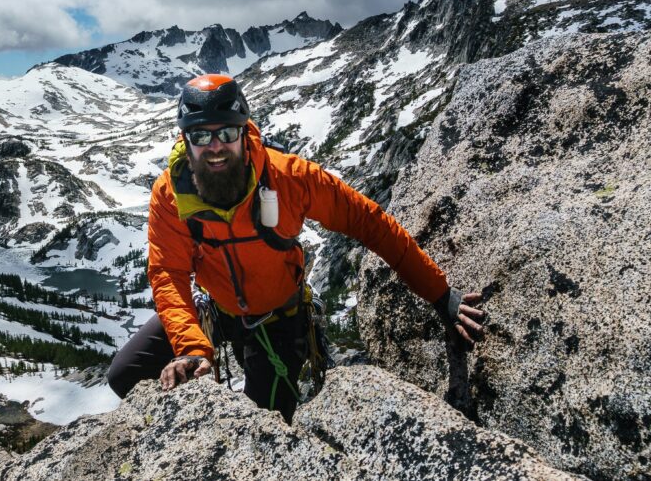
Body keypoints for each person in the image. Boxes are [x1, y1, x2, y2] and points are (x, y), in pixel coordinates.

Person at [106, 74, 484, 422]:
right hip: (217, 311)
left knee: (263, 426)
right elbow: (168, 273)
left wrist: (440, 294)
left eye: (226, 133)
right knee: (125, 374)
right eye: (201, 136)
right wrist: (191, 347)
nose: (216, 146)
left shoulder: (289, 177)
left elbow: (370, 224)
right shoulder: (171, 194)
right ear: (185, 141)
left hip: (279, 321)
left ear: (244, 131)